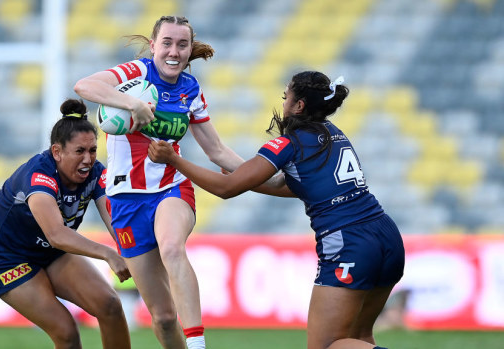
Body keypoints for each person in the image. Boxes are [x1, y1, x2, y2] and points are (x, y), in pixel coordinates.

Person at [148, 71, 405, 349]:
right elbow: (296, 186)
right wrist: (249, 178)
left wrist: (173, 159)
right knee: (358, 338)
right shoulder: (333, 134)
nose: (283, 103)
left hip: (350, 243)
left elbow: (227, 189)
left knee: (327, 346)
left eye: (286, 97)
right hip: (386, 235)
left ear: (299, 106)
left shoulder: (288, 144)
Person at [73, 15, 246, 349]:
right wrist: (132, 104)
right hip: (124, 199)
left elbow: (217, 151)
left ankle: (198, 345)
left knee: (171, 247)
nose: (174, 51)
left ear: (189, 49)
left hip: (171, 187)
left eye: (182, 44)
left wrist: (269, 175)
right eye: (167, 43)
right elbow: (85, 86)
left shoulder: (190, 90)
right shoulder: (135, 73)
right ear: (153, 46)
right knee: (164, 319)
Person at [0, 99, 132, 349]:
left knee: (109, 305)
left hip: (47, 250)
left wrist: (136, 250)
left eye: (92, 150)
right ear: (57, 152)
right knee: (66, 332)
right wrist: (108, 254)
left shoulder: (95, 173)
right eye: (79, 151)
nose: (88, 159)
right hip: (5, 257)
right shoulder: (38, 176)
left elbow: (116, 221)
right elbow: (57, 234)